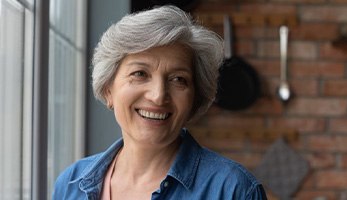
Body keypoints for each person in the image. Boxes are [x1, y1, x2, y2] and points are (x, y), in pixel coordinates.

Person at [53, 5, 267, 200]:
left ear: (195, 99)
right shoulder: (70, 185)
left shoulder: (234, 191)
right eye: (139, 73)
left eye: (178, 79)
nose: (158, 95)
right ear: (108, 89)